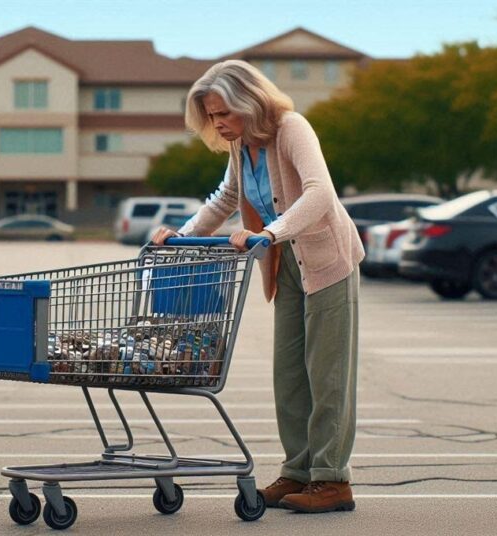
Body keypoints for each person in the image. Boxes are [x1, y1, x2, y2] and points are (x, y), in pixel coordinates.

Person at [151, 60, 364, 513]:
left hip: (327, 261)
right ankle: (298, 472)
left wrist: (270, 232)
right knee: (289, 374)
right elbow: (227, 199)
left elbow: (319, 192)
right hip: (285, 261)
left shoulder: (291, 128)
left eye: (223, 112)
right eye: (211, 116)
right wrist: (182, 237)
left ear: (248, 101)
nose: (218, 123)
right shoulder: (242, 145)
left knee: (326, 375)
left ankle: (331, 481)